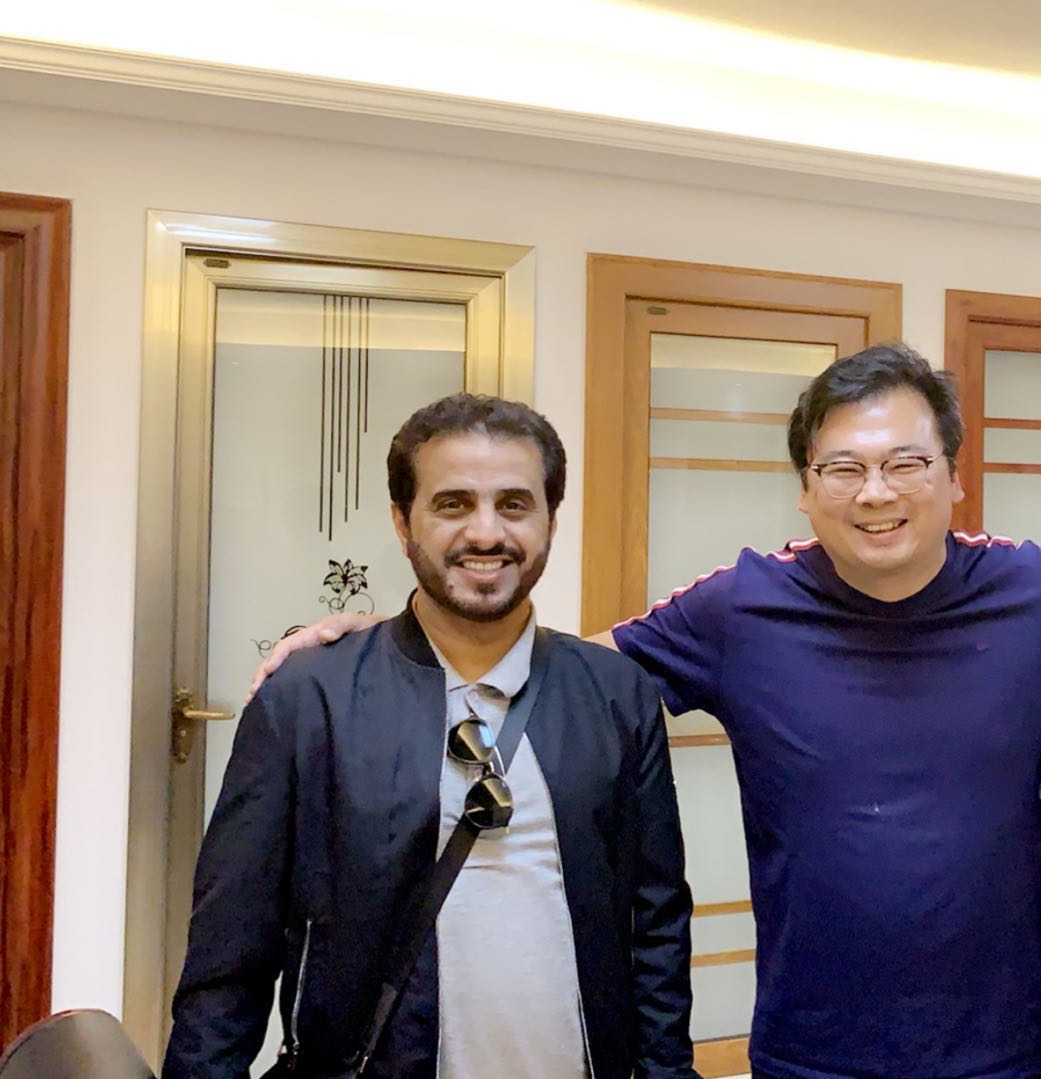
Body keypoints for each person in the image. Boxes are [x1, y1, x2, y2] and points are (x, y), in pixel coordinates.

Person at [256, 344, 1041, 1078]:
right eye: (844, 467)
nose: (877, 493)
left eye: (907, 462)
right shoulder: (740, 606)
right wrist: (386, 645)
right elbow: (564, 674)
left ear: (955, 477)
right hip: (808, 1043)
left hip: (1002, 1042)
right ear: (805, 486)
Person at [168, 395, 696, 1078]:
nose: (486, 532)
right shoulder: (310, 698)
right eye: (453, 504)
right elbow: (229, 953)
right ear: (402, 522)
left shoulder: (615, 693)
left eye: (514, 504)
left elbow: (656, 923)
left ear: (550, 520)